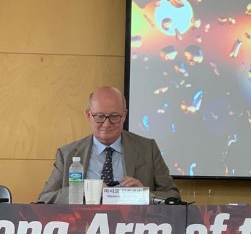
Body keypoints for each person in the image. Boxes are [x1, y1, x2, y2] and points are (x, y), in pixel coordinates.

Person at [37, 86, 180, 203]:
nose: (107, 124)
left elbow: (173, 197)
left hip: (133, 230)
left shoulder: (147, 149)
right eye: (99, 116)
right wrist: (82, 191)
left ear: (124, 115)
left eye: (114, 116)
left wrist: (143, 195)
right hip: (81, 230)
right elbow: (44, 199)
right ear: (88, 115)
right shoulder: (68, 154)